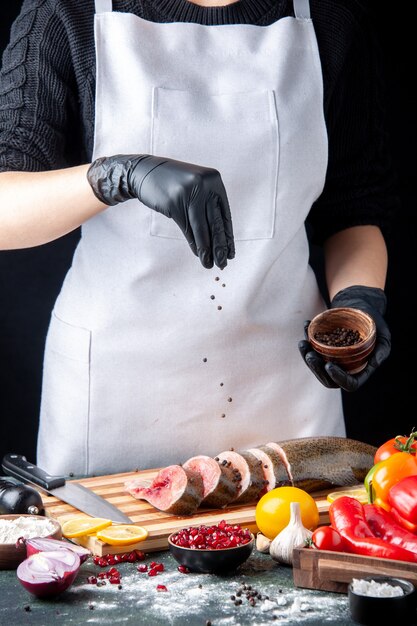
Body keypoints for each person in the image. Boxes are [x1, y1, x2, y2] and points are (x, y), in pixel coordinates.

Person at [0, 0, 395, 477]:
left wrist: (359, 300)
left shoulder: (330, 18)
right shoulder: (68, 12)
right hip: (116, 394)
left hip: (285, 390)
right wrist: (117, 176)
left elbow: (353, 211)